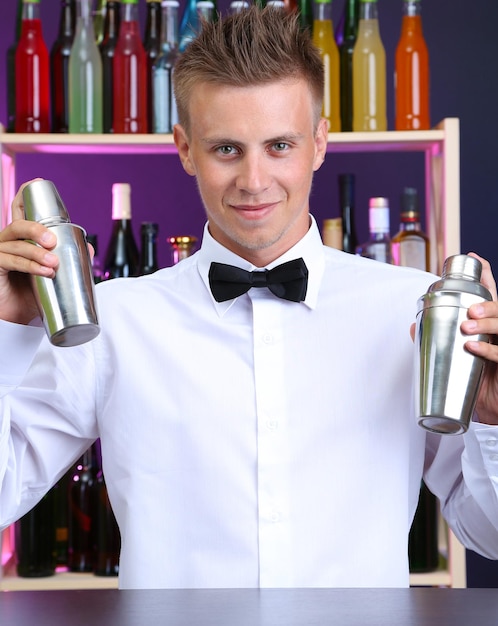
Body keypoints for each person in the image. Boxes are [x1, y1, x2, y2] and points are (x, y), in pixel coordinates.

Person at [1, 6, 498, 589]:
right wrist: (10, 329)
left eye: (280, 146)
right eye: (227, 150)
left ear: (318, 143)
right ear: (186, 149)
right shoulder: (113, 318)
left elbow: (486, 533)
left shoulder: (414, 312)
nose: (255, 180)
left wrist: (494, 421)